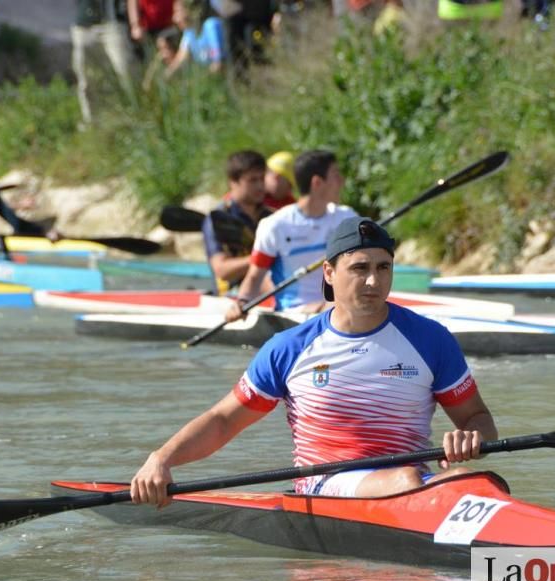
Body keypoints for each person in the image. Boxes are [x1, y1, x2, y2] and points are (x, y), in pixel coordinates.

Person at [131, 217, 498, 507]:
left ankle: (523, 570)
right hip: (326, 486)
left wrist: (471, 439)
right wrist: (161, 460)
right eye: (359, 268)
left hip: (413, 485)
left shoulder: (430, 339)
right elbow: (224, 420)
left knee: (483, 484)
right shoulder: (289, 349)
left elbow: (479, 420)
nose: (374, 280)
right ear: (328, 273)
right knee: (406, 480)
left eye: (384, 267)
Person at [225, 149, 354, 319]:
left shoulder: (347, 218)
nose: (342, 181)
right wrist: (242, 302)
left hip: (336, 308)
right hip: (295, 312)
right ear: (317, 183)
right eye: (336, 175)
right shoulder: (276, 225)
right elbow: (255, 277)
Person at [203, 150, 273, 295]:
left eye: (262, 179)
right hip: (232, 294)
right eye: (253, 180)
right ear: (233, 182)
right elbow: (222, 270)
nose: (260, 186)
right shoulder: (218, 219)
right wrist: (261, 258)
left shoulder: (272, 216)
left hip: (268, 289)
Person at [72, 0, 137, 123]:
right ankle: (91, 122)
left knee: (126, 72)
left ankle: (135, 114)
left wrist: (134, 23)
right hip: (84, 25)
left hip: (112, 22)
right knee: (85, 78)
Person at [165, 1, 226, 77]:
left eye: (178, 12)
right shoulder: (188, 33)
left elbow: (219, 65)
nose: (174, 18)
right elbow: (179, 61)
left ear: (192, 10)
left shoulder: (211, 26)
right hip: (209, 81)